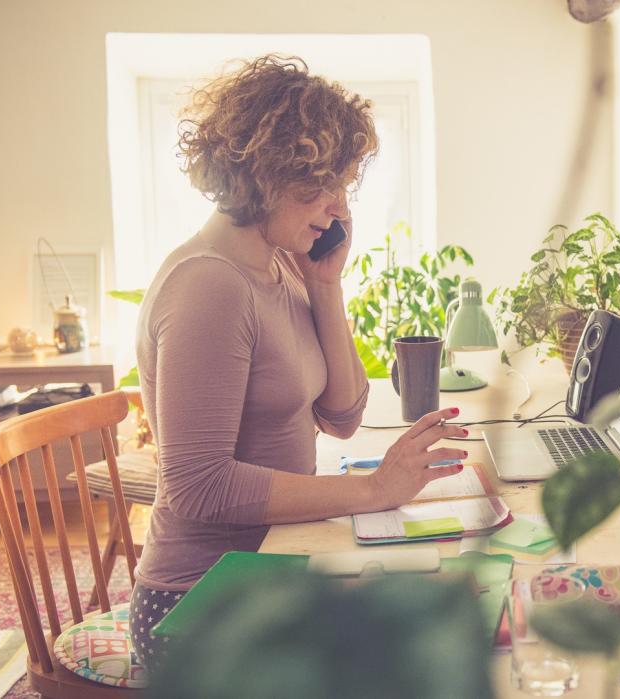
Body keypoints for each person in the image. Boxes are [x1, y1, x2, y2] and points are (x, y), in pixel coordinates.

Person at [128, 54, 466, 672]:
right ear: (264, 174)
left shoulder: (282, 264)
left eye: (343, 184)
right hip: (200, 604)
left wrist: (327, 286)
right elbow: (197, 485)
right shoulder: (209, 286)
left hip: (272, 570)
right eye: (322, 184)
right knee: (432, 653)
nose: (339, 207)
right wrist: (370, 489)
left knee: (456, 602)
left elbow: (342, 416)